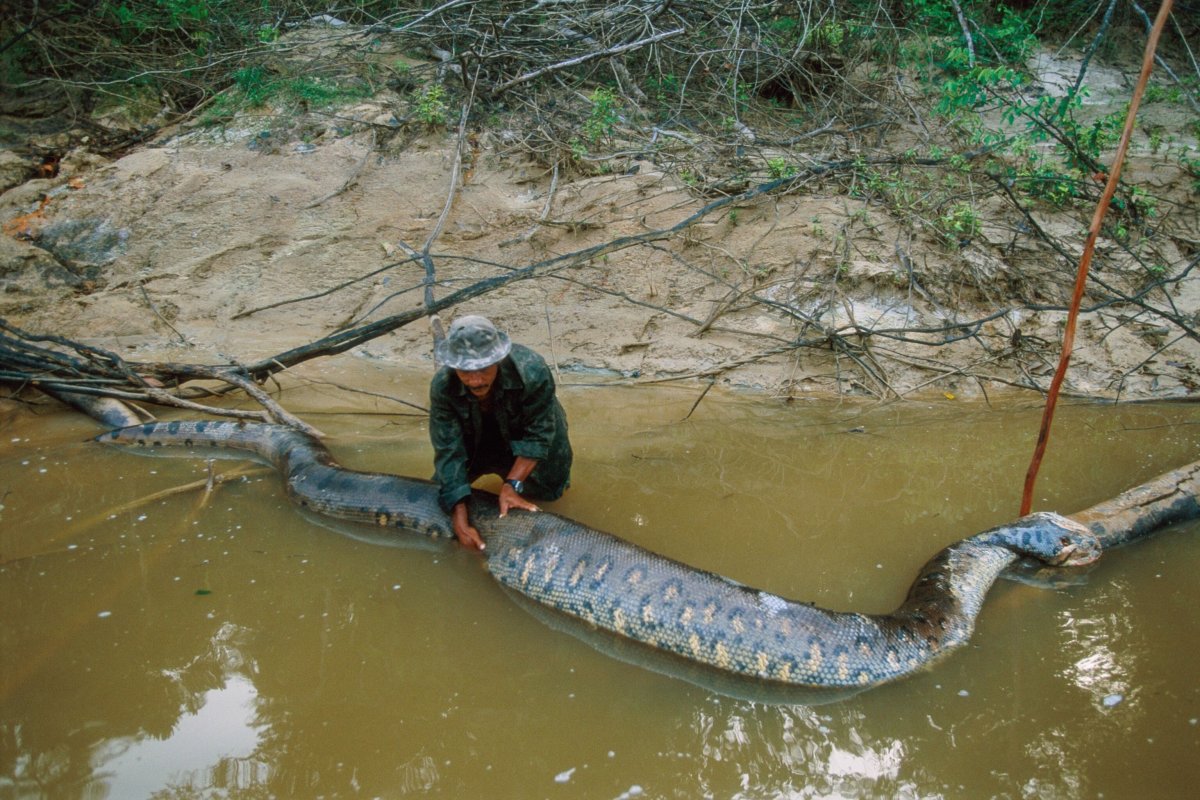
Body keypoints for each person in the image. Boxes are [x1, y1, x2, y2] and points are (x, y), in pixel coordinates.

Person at [429, 315, 572, 550]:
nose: (475, 381)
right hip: (474, 442)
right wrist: (459, 513)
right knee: (442, 496)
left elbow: (539, 434)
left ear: (498, 359)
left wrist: (512, 485)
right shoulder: (442, 387)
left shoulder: (531, 370)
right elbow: (448, 450)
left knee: (550, 493)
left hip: (524, 435)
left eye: (484, 368)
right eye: (465, 370)